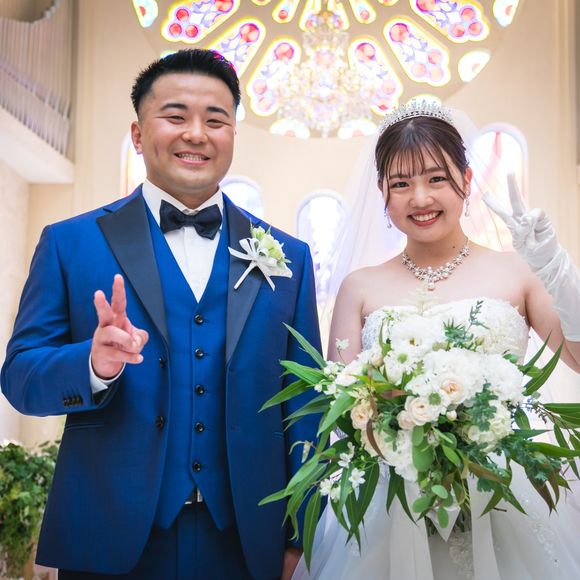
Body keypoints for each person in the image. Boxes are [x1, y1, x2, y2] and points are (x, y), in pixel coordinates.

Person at [1, 49, 321, 579]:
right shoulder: (69, 243)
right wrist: (93, 365)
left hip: (246, 542)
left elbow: (304, 405)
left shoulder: (290, 257)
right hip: (108, 537)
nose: (196, 133)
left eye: (215, 120)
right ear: (137, 133)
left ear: (233, 135)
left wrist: (298, 535)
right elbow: (19, 379)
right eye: (175, 116)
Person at [293, 101, 580, 579]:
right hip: (393, 504)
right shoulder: (359, 287)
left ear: (466, 179)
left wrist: (555, 268)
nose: (420, 198)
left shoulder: (518, 271)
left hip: (505, 493)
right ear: (382, 193)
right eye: (401, 184)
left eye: (436, 178)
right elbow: (341, 412)